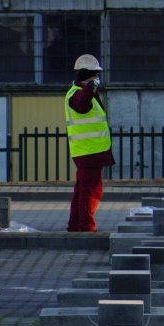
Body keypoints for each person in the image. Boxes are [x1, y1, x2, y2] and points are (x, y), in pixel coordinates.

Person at [65, 54, 114, 232]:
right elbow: (81, 105)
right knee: (91, 191)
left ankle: (75, 225)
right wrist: (90, 88)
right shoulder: (79, 93)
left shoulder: (76, 91)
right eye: (95, 74)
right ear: (90, 74)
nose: (98, 78)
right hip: (89, 152)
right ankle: (86, 227)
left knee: (81, 190)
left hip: (87, 152)